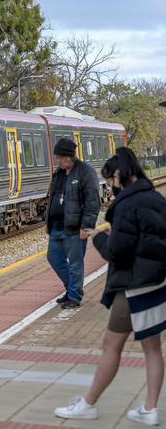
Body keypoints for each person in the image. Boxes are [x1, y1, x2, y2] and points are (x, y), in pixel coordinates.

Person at [54, 147, 166, 426]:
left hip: (133, 286)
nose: (110, 186)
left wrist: (99, 238)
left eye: (110, 180)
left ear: (119, 175)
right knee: (152, 349)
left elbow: (119, 251)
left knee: (110, 346)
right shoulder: (155, 199)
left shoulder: (127, 205)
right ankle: (150, 409)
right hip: (157, 283)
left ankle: (88, 404)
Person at [46, 137, 100, 309]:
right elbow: (53, 197)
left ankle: (74, 297)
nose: (58, 161)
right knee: (53, 257)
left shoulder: (85, 172)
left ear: (69, 157)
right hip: (56, 226)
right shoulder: (59, 174)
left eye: (60, 158)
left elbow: (92, 202)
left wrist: (87, 226)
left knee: (75, 262)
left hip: (75, 228)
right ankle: (72, 289)